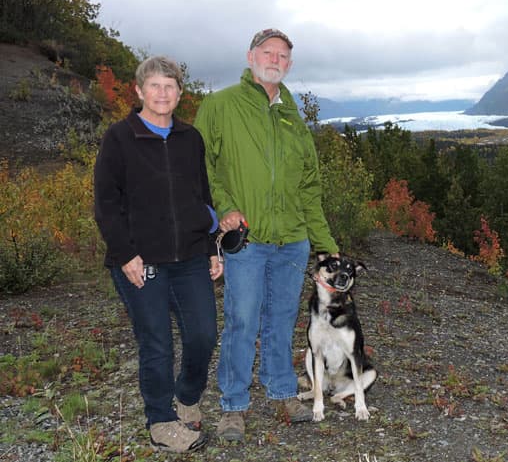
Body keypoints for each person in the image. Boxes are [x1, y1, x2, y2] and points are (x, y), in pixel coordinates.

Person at [194, 28, 338, 441]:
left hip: (292, 240)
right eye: (267, 52)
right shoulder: (220, 105)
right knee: (241, 322)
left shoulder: (294, 118)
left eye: (282, 55)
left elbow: (310, 188)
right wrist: (223, 209)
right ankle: (233, 406)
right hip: (248, 240)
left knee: (281, 319)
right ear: (250, 56)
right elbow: (203, 168)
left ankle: (281, 391)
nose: (275, 59)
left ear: (289, 65)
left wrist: (326, 246)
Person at [94, 56, 223, 453]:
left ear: (180, 94)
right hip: (140, 261)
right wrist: (126, 253)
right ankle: (161, 420)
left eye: (170, 86)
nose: (162, 93)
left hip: (189, 257)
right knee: (157, 343)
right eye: (154, 86)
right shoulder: (120, 137)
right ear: (138, 90)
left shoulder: (190, 139)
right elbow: (106, 203)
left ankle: (186, 397)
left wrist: (212, 248)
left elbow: (202, 198)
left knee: (203, 334)